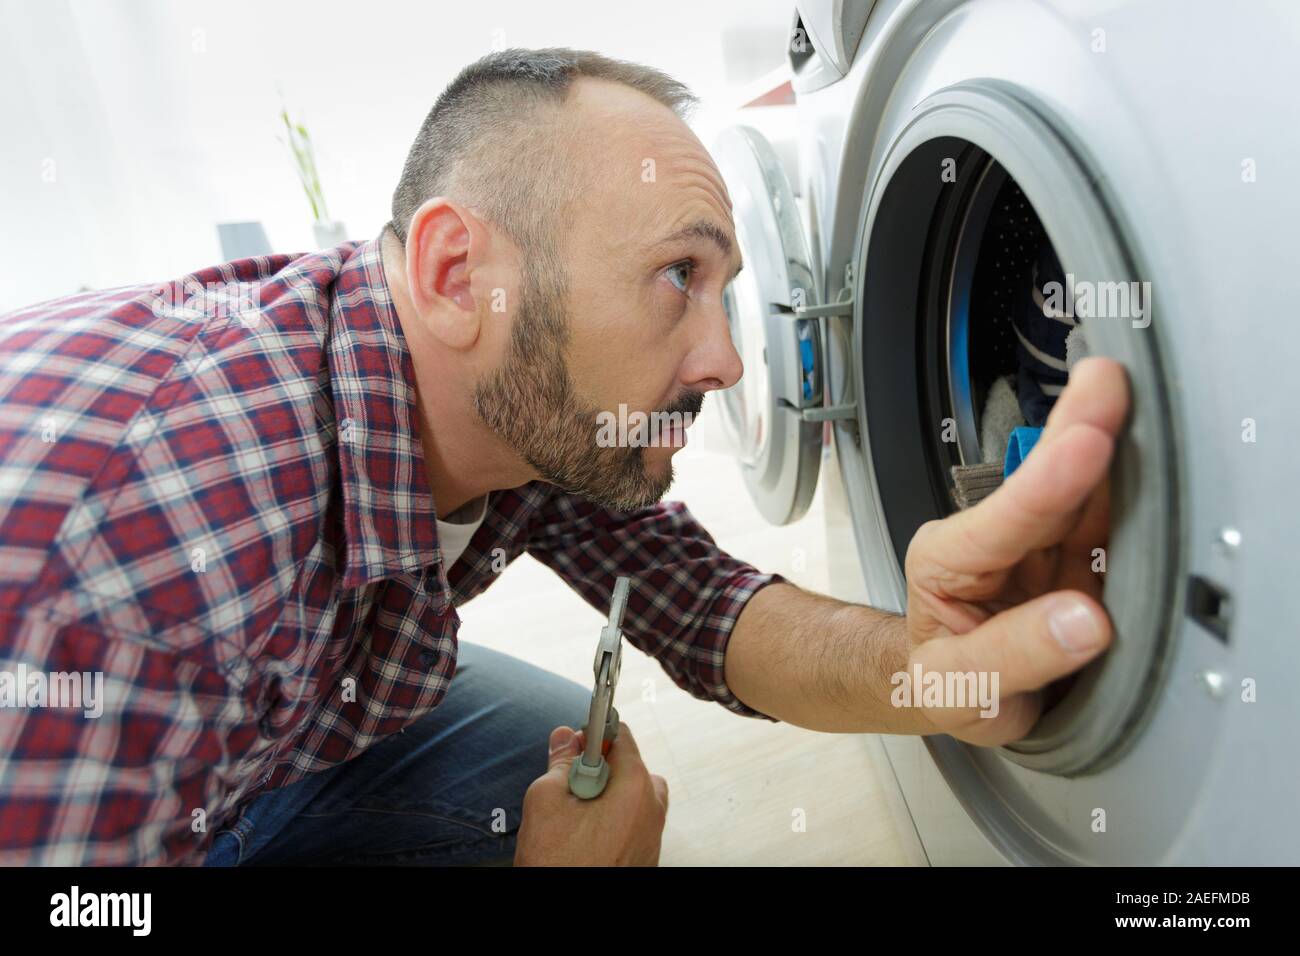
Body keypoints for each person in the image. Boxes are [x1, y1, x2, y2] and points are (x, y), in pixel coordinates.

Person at [0, 48, 1123, 866]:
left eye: (725, 288)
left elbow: (703, 609)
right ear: (455, 273)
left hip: (261, 724)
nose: (729, 361)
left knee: (542, 761)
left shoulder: (503, 398)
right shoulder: (132, 575)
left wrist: (924, 667)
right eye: (678, 274)